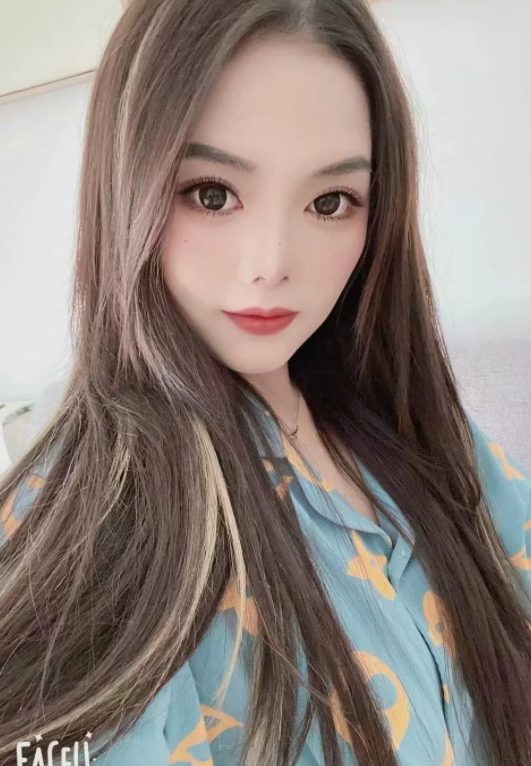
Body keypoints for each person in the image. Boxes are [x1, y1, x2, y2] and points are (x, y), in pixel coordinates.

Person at [1, 0, 530, 764]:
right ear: (129, 187)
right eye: (211, 193)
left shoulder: (425, 441)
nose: (271, 262)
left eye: (329, 202)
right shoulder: (96, 514)